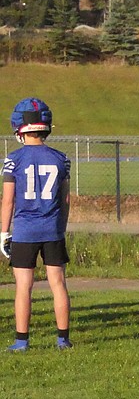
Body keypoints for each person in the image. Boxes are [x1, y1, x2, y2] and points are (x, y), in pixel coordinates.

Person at [1, 97, 72, 351]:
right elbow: (65, 200)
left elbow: (7, 201)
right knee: (58, 283)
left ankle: (22, 341)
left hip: (24, 230)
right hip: (52, 228)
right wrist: (60, 228)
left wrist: (2, 233)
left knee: (23, 287)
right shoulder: (61, 159)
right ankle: (63, 339)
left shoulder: (14, 159)